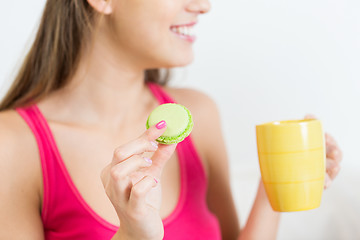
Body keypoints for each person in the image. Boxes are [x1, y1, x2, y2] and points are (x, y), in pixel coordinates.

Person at [0, 0, 343, 239]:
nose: (203, 4)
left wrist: (276, 185)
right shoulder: (12, 144)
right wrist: (133, 235)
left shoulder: (201, 115)